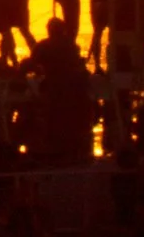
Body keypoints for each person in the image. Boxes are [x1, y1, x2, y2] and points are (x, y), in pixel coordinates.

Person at [32, 17, 97, 167]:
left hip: (56, 91)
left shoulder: (43, 46)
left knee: (54, 120)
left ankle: (56, 149)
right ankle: (72, 150)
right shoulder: (71, 45)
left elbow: (34, 64)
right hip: (72, 92)